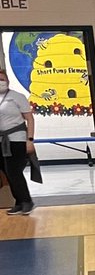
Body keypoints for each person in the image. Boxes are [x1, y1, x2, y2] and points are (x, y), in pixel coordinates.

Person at [0, 68, 36, 215]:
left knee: (14, 170)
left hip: (17, 139)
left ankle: (27, 200)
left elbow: (30, 119)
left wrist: (30, 139)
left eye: (2, 80)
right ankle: (19, 202)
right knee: (7, 172)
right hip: (1, 140)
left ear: (7, 81)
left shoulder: (17, 97)